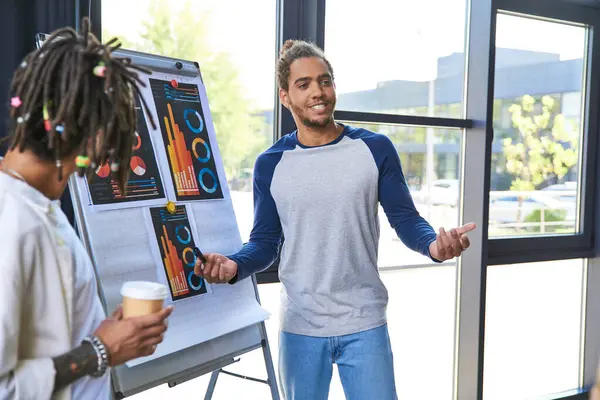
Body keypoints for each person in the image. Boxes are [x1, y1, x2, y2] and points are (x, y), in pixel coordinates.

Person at [195, 40, 476, 399]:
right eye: (304, 84)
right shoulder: (271, 163)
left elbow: (406, 220)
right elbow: (265, 243)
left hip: (365, 323)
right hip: (300, 327)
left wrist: (435, 246)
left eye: (324, 81)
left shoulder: (374, 148)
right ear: (285, 96)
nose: (318, 92)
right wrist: (234, 265)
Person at [0, 19, 173, 400]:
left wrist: (106, 336)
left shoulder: (38, 205)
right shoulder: (12, 221)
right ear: (92, 131)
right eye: (113, 133)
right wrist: (98, 352)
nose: (111, 153)